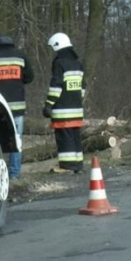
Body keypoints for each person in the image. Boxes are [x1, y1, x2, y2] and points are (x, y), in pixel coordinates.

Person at [0, 35, 34, 179]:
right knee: (16, 140)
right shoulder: (20, 55)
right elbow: (30, 77)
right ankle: (14, 173)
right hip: (17, 106)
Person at [44, 32, 85, 174]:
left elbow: (56, 86)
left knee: (64, 137)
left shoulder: (59, 63)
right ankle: (78, 165)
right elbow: (83, 87)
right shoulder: (77, 64)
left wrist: (49, 104)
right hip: (77, 109)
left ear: (57, 45)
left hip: (62, 110)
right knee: (75, 137)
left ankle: (67, 166)